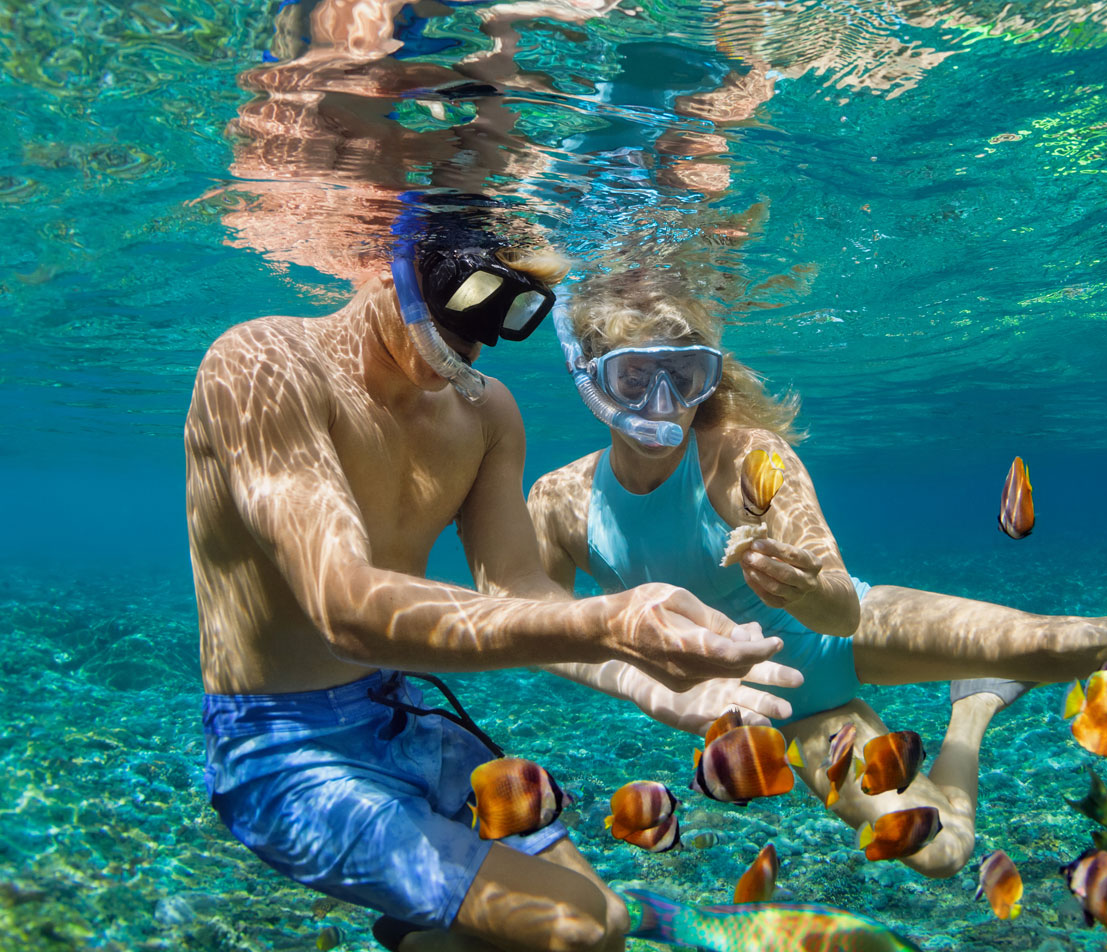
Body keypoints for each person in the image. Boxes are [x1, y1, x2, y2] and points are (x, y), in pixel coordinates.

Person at [525, 266, 1107, 880]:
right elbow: (532, 626)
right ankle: (975, 706)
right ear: (590, 382)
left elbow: (837, 596)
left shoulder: (744, 457)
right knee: (942, 855)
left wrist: (800, 582)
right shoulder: (560, 502)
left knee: (1063, 641)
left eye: (686, 376)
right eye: (635, 377)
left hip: (855, 630)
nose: (663, 405)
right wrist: (636, 672)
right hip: (792, 715)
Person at [185, 219, 803, 952]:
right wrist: (607, 626)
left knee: (590, 926)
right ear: (398, 261)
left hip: (401, 717)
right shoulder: (260, 363)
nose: (473, 346)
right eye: (463, 308)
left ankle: (420, 931)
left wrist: (641, 680)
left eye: (508, 317)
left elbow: (516, 588)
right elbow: (341, 605)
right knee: (580, 928)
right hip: (281, 749)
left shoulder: (485, 411)